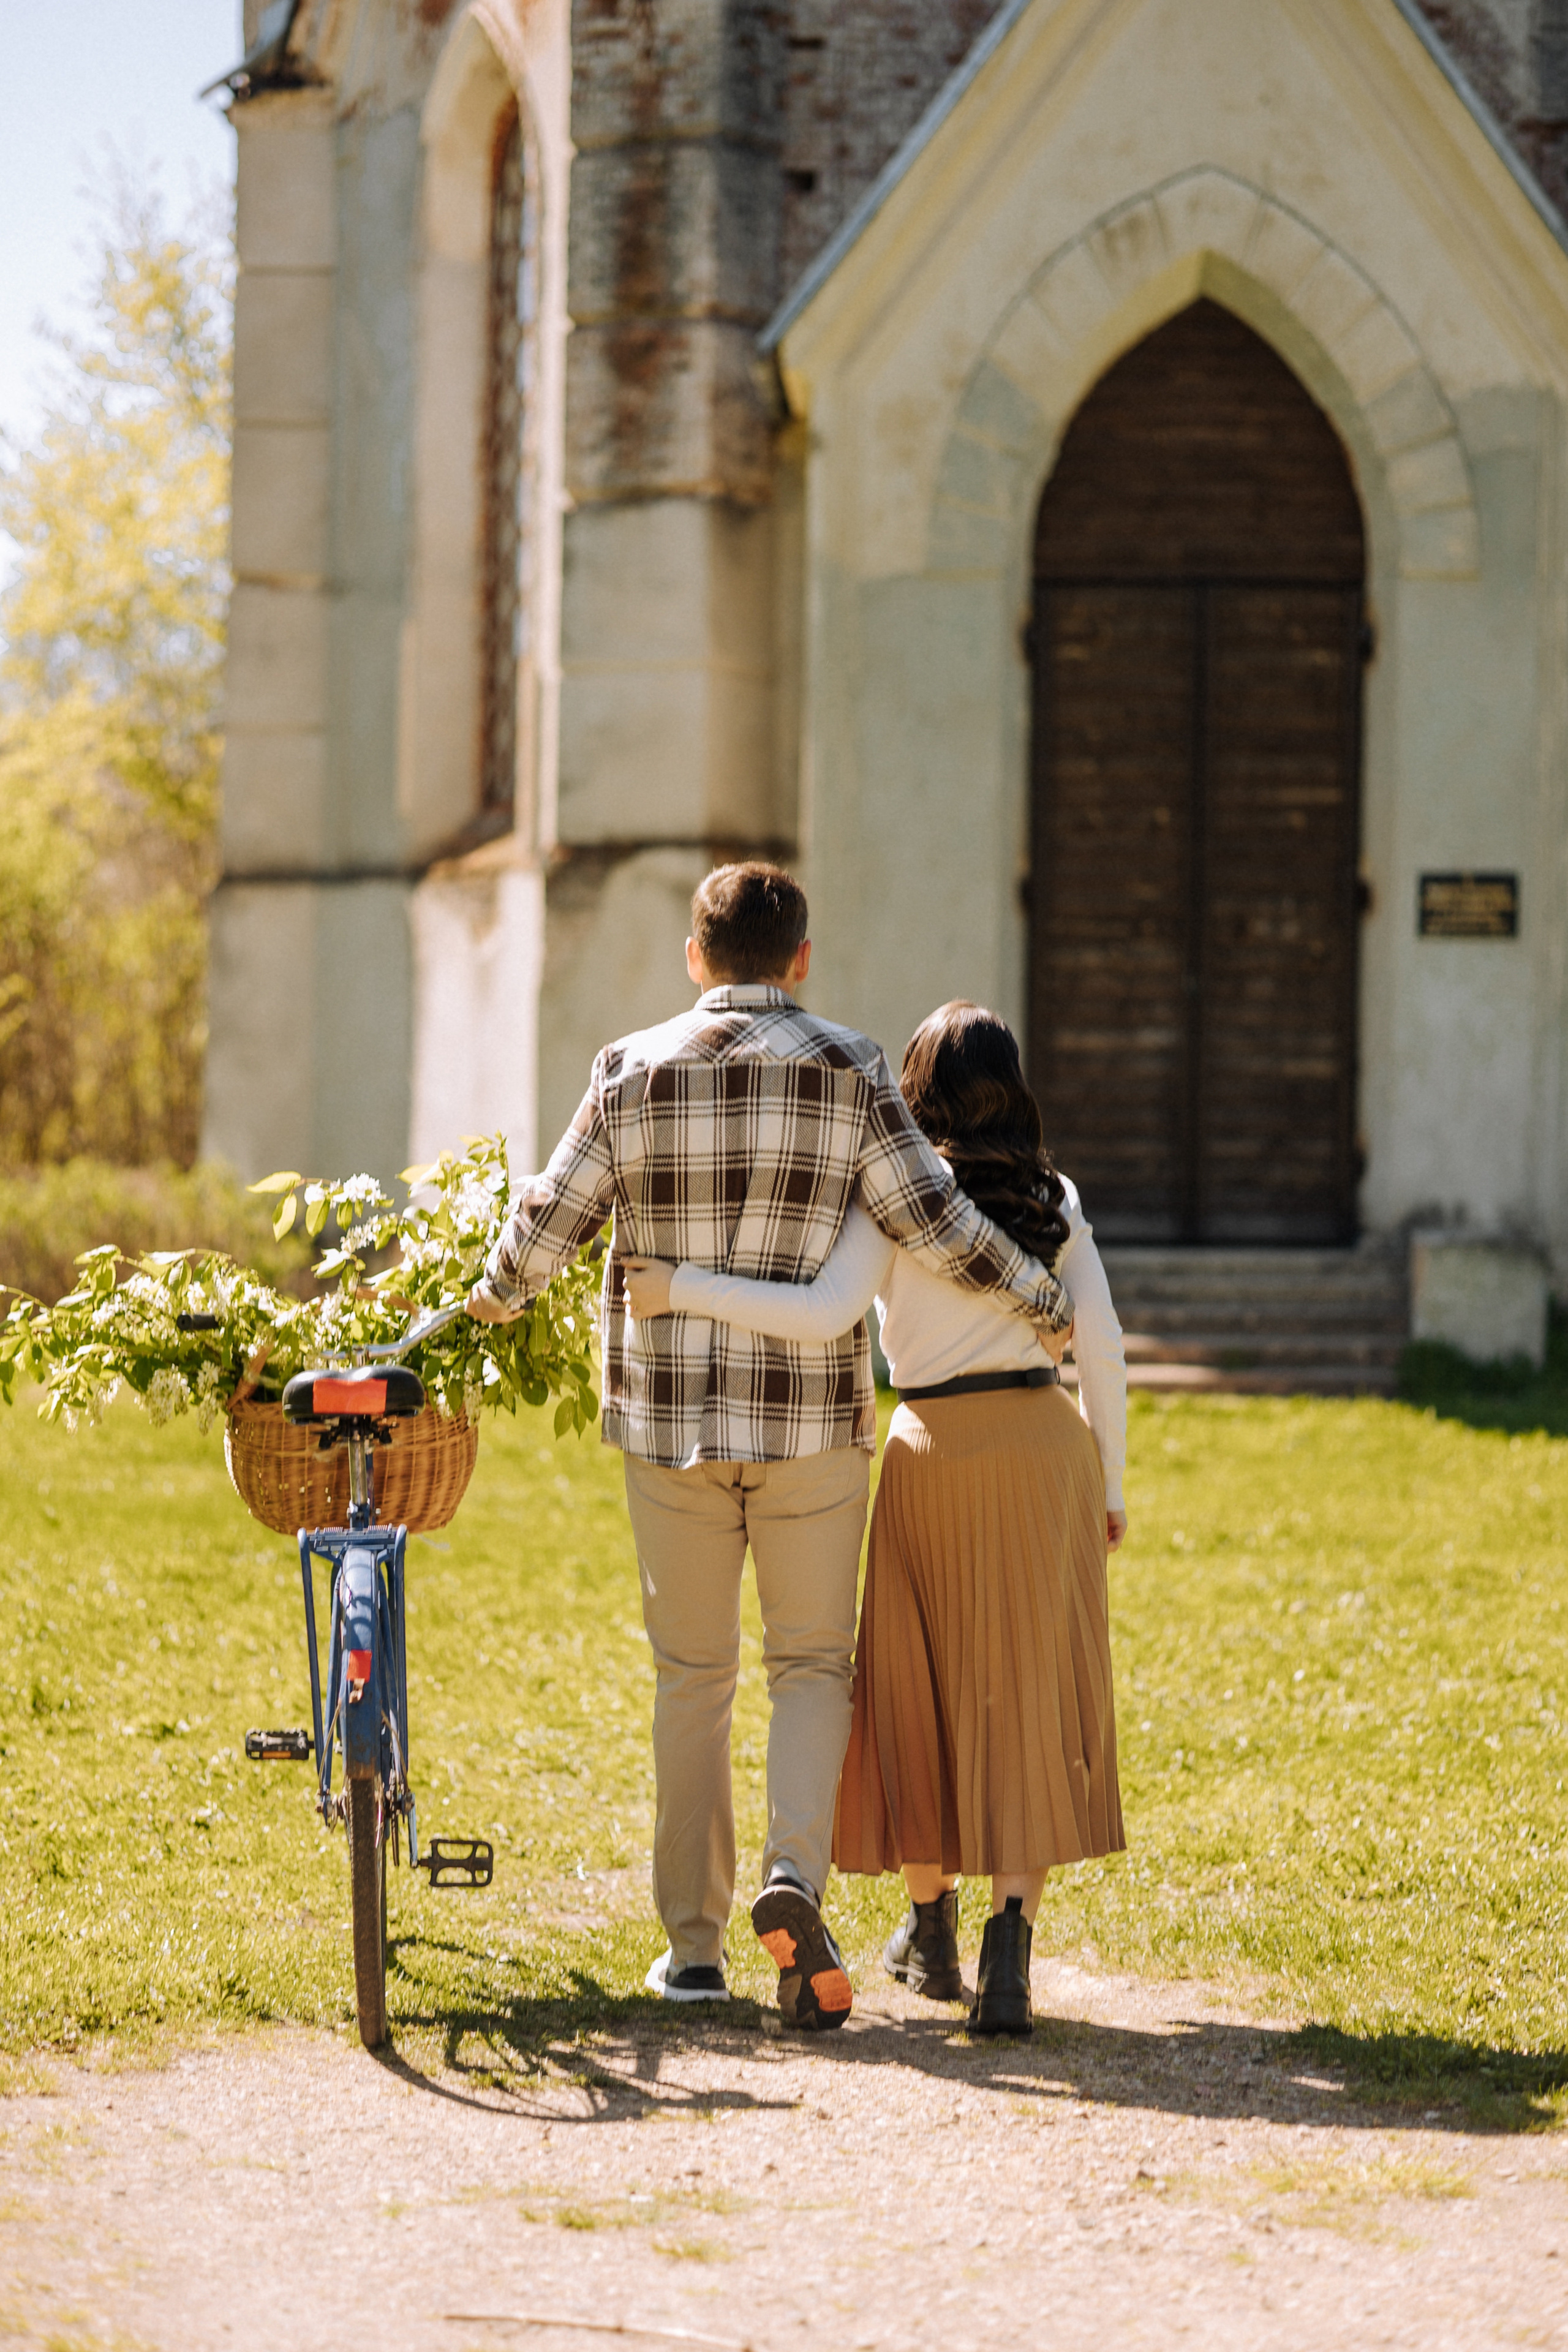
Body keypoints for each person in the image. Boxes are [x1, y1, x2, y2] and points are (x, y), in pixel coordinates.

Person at [469, 867, 1074, 2030]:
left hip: (670, 1427)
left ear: (698, 958)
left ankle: (694, 1955)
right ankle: (794, 1891)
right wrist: (1039, 1295)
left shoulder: (629, 1069)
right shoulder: (850, 1069)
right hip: (808, 1429)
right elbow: (934, 1222)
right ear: (799, 958)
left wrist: (496, 1296)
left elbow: (550, 1215)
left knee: (691, 1682)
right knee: (811, 1666)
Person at [624, 1000, 1126, 2036]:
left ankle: (929, 1928)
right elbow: (1105, 1347)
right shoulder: (1055, 1196)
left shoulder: (892, 1197)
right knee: (1023, 1696)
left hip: (929, 1453)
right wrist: (1111, 1485)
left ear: (916, 1091)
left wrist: (683, 1288)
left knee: (917, 1696)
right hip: (1045, 1448)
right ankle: (1010, 1953)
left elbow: (820, 1315)